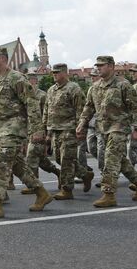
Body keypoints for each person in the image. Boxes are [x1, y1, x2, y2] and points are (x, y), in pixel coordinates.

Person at [0, 48, 52, 220]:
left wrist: (37, 129)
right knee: (17, 165)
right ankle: (42, 193)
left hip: (13, 129)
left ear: (2, 59)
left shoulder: (16, 78)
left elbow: (31, 103)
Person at [77, 56, 137, 207]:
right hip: (102, 129)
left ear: (111, 66)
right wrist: (82, 123)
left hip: (119, 128)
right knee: (121, 162)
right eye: (97, 65)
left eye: (102, 65)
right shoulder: (94, 87)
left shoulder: (123, 85)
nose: (98, 68)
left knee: (110, 159)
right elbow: (88, 108)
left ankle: (108, 194)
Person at [43, 63, 94, 200]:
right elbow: (47, 111)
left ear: (65, 73)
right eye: (53, 72)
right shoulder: (51, 90)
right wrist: (46, 131)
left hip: (69, 129)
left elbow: (81, 111)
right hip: (55, 130)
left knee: (66, 159)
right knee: (60, 158)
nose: (54, 75)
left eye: (57, 72)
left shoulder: (74, 89)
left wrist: (80, 129)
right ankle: (85, 174)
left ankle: (67, 189)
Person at [19, 73, 62, 195]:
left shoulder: (43, 95)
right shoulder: (24, 96)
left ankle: (34, 185)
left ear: (33, 81)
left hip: (39, 131)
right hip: (28, 131)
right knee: (41, 160)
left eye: (27, 81)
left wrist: (46, 133)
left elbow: (48, 114)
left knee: (31, 157)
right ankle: (58, 172)